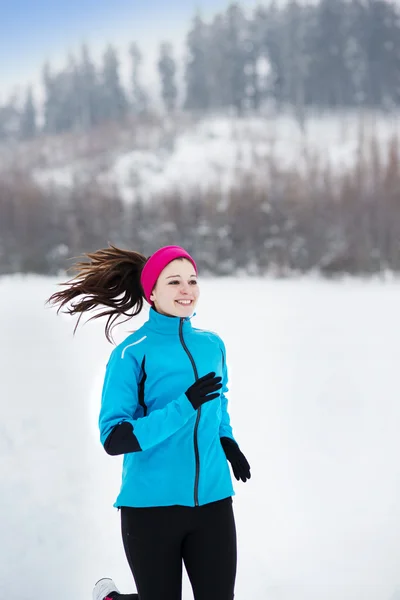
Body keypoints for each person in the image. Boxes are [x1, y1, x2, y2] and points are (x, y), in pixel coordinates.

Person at [47, 244, 251, 600]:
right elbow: (115, 437)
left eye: (192, 280)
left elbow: (219, 402)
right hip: (151, 509)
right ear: (152, 293)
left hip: (214, 502)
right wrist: (183, 405)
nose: (186, 290)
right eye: (174, 282)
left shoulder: (212, 345)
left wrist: (227, 441)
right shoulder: (131, 353)